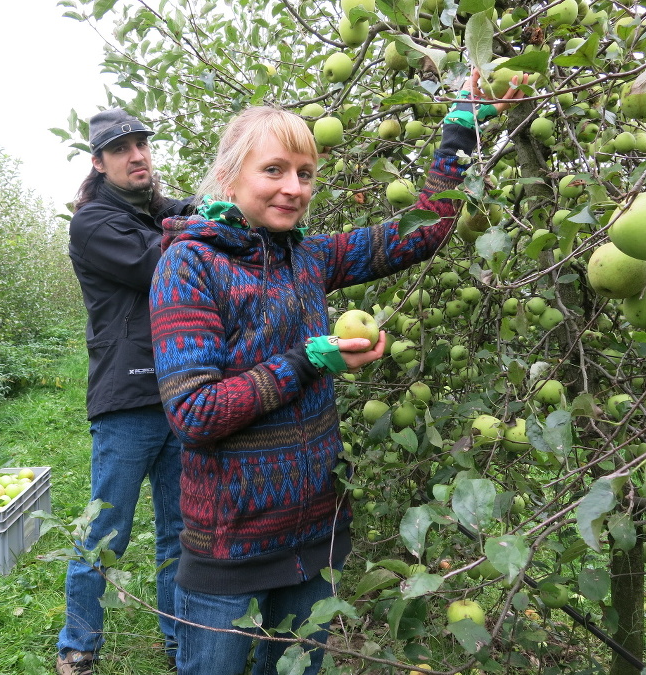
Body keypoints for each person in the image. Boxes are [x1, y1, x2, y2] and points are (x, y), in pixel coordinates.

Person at [149, 70, 527, 675]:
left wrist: (460, 129)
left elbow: (423, 232)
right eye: (273, 170)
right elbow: (195, 414)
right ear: (229, 175)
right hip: (230, 548)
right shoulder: (188, 265)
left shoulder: (309, 256)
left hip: (313, 539)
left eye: (304, 174)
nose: (293, 188)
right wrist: (307, 359)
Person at [57, 108, 190, 675]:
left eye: (142, 145)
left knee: (180, 532)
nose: (137, 155)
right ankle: (79, 645)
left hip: (182, 390)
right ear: (98, 162)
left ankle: (180, 639)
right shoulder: (93, 223)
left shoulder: (156, 211)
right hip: (128, 399)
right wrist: (207, 223)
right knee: (105, 531)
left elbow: (190, 215)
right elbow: (159, 263)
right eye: (121, 148)